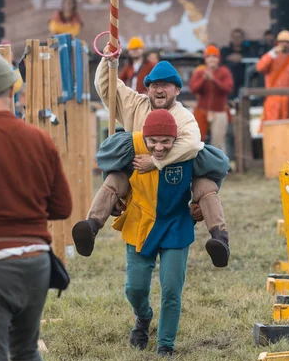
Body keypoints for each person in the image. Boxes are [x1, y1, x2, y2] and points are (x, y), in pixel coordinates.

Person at [0, 44, 72, 361]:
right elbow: (62, 207)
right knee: (27, 352)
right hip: (36, 262)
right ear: (13, 89)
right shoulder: (39, 139)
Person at [72, 51, 230, 268]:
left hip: (176, 184)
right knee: (114, 180)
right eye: (154, 85)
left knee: (205, 187)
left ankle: (220, 239)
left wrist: (155, 162)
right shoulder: (136, 104)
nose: (159, 89)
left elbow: (192, 144)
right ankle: (91, 226)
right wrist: (109, 60)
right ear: (147, 89)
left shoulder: (184, 116)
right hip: (139, 184)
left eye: (166, 85)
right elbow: (107, 88)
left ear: (177, 90)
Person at [90, 109, 228, 356]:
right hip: (140, 222)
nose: (160, 147)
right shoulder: (131, 147)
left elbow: (217, 171)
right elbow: (109, 167)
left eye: (166, 141)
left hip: (176, 225)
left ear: (175, 139)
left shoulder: (189, 151)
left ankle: (166, 345)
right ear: (145, 137)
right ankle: (143, 318)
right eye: (153, 141)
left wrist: (199, 205)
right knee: (135, 288)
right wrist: (115, 203)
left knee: (171, 289)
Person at [189, 45, 234, 152]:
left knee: (217, 143)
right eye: (209, 56)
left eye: (214, 56)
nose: (212, 59)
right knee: (196, 141)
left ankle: (216, 167)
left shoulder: (224, 71)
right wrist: (203, 80)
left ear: (218, 59)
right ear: (205, 59)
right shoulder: (200, 72)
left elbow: (228, 88)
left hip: (219, 111)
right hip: (202, 110)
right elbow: (193, 89)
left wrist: (213, 80)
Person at [255, 29, 289, 123]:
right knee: (272, 128)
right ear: (277, 43)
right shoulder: (271, 58)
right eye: (282, 42)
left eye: (287, 42)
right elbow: (259, 67)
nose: (284, 44)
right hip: (273, 99)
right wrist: (272, 53)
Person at [220, 28, 246, 98]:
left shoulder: (248, 50)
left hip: (243, 78)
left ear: (243, 38)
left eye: (239, 37)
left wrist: (242, 58)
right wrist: (229, 58)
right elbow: (220, 61)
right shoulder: (225, 50)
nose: (236, 39)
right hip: (229, 79)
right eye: (234, 37)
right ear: (231, 38)